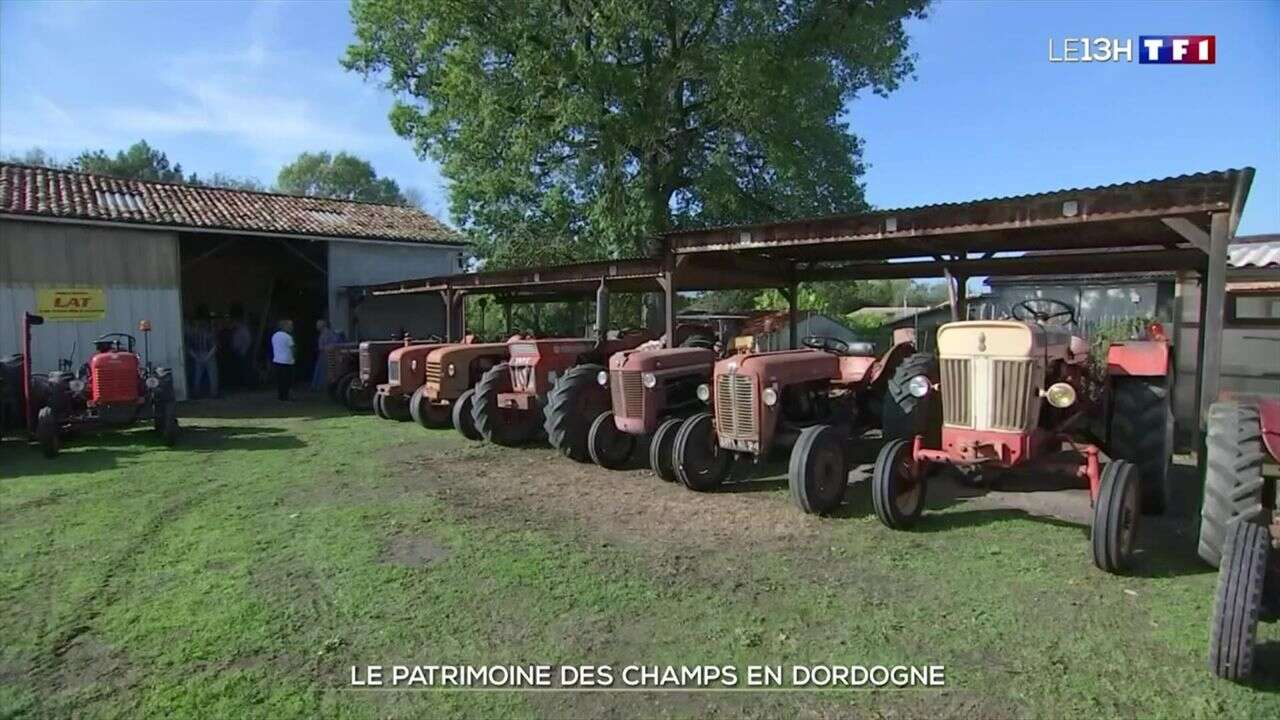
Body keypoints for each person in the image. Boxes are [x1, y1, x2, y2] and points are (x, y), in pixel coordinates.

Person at [186, 317, 219, 398]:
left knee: (197, 375)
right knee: (212, 375)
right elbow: (214, 347)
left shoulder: (194, 335)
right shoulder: (209, 334)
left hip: (198, 354)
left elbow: (189, 348)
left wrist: (195, 357)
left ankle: (196, 393)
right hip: (208, 355)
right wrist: (207, 357)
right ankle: (214, 393)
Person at [311, 319, 340, 392]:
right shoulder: (323, 333)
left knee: (326, 371)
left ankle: (325, 387)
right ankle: (320, 387)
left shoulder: (329, 333)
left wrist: (326, 348)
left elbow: (335, 343)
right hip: (323, 355)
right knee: (321, 371)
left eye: (318, 325)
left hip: (327, 355)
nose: (316, 327)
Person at [271, 319, 296, 401]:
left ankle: (281, 396)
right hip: (287, 361)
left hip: (277, 360)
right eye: (290, 326)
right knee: (287, 380)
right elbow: (292, 349)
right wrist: (294, 357)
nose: (291, 327)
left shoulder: (274, 336)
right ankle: (286, 396)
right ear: (285, 327)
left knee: (280, 380)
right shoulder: (288, 337)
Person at [229, 306, 254, 389]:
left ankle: (247, 385)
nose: (233, 323)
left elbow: (248, 341)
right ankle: (242, 384)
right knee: (240, 369)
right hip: (238, 352)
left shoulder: (243, 329)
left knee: (245, 369)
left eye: (234, 322)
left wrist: (243, 350)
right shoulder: (237, 330)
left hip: (243, 352)